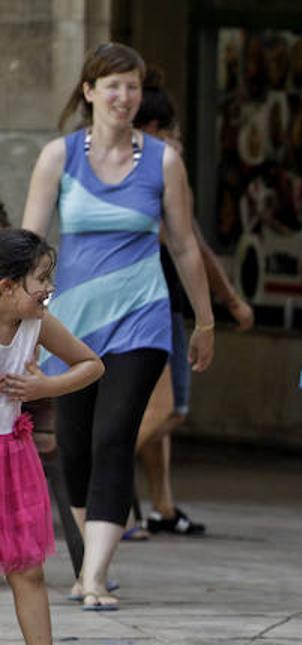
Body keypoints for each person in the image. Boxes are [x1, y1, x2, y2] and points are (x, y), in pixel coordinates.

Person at [21, 43, 216, 611]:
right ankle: (86, 564)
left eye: (132, 86)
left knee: (113, 438)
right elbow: (31, 246)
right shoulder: (59, 158)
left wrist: (203, 320)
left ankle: (97, 577)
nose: (124, 97)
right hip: (72, 324)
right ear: (89, 92)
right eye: (112, 86)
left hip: (142, 316)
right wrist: (20, 322)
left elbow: (182, 244)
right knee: (74, 446)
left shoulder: (163, 161)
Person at [129, 70, 255, 539]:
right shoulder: (154, 173)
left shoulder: (147, 170)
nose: (177, 141)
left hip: (163, 301)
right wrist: (230, 302)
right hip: (151, 303)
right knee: (167, 410)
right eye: (171, 132)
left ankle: (160, 504)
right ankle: (107, 479)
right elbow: (192, 246)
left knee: (153, 410)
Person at [0, 228, 105, 645]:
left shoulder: (36, 325)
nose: (48, 289)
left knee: (28, 571)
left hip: (11, 458)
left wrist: (45, 389)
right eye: (40, 279)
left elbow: (91, 364)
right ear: (6, 285)